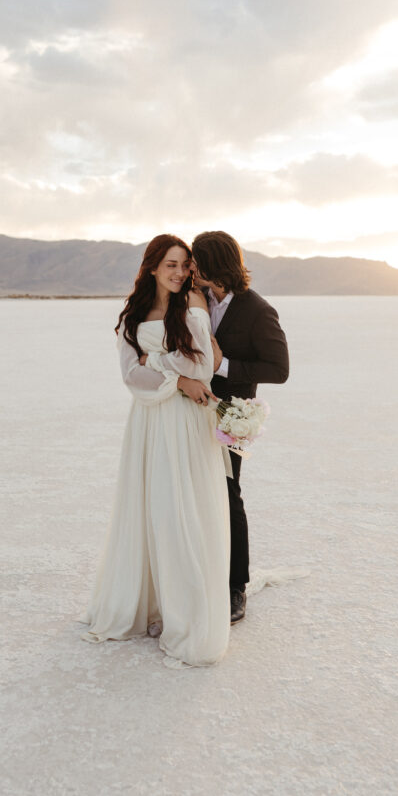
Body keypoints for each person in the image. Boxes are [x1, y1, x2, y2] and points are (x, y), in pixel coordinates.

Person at [81, 234, 230, 668]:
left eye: (185, 264)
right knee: (153, 506)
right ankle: (146, 603)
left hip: (186, 422)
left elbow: (201, 366)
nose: (180, 272)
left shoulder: (194, 307)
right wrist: (174, 377)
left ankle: (185, 611)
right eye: (171, 264)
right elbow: (130, 376)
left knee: (182, 508)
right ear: (151, 267)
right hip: (149, 422)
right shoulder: (132, 315)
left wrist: (160, 367)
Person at [176, 231, 289, 624]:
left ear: (215, 265)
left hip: (230, 415)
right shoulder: (195, 298)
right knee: (192, 492)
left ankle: (234, 586)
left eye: (196, 261)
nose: (190, 267)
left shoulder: (258, 310)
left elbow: (279, 370)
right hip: (189, 409)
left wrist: (222, 366)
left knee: (228, 495)